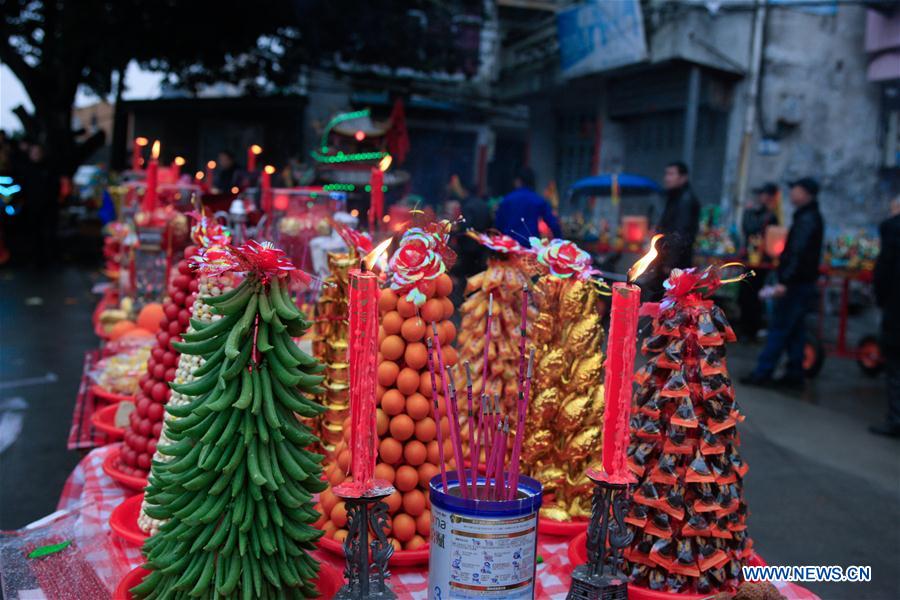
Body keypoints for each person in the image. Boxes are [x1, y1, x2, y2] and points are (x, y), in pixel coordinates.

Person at [741, 177, 823, 389]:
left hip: (795, 284)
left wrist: (785, 281)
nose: (792, 194)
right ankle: (794, 374)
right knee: (795, 331)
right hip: (800, 282)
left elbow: (798, 253)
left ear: (806, 193)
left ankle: (763, 372)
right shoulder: (807, 216)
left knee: (779, 328)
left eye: (796, 189)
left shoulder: (807, 219)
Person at [870, 197, 900, 437]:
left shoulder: (893, 229)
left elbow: (884, 269)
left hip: (896, 307)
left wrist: (881, 298)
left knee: (896, 365)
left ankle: (896, 418)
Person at [739, 183, 780, 340]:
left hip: (761, 263)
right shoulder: (757, 212)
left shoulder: (770, 216)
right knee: (745, 295)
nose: (759, 198)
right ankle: (747, 329)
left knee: (753, 296)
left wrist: (749, 212)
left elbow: (751, 228)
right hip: (751, 260)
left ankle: (751, 330)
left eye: (762, 194)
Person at [494, 167, 561, 246]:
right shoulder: (538, 200)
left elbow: (498, 225)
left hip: (508, 246)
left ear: (518, 181)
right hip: (529, 247)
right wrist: (559, 242)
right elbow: (553, 224)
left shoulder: (507, 199)